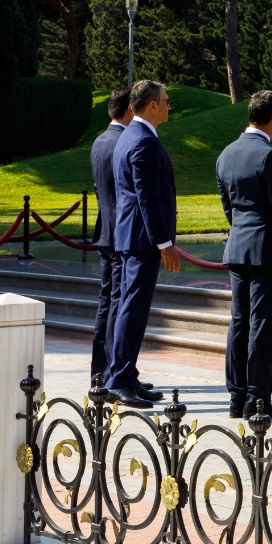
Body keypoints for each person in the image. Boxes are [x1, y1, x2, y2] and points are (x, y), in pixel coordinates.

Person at [216, 90, 272, 420]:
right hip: (267, 250)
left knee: (239, 321)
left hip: (238, 246)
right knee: (262, 325)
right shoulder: (271, 155)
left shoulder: (226, 153)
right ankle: (258, 399)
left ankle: (237, 395)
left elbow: (228, 206)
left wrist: (242, 231)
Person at [108, 80, 178, 408]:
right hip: (142, 239)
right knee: (133, 309)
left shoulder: (130, 135)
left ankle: (125, 373)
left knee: (130, 307)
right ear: (152, 105)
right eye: (166, 101)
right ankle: (119, 380)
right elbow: (146, 197)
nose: (169, 106)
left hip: (132, 236)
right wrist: (164, 243)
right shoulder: (143, 141)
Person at [89, 87, 135, 382]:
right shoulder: (124, 142)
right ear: (130, 109)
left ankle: (100, 369)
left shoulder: (100, 141)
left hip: (106, 230)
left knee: (107, 300)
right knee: (118, 302)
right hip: (122, 234)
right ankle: (112, 371)